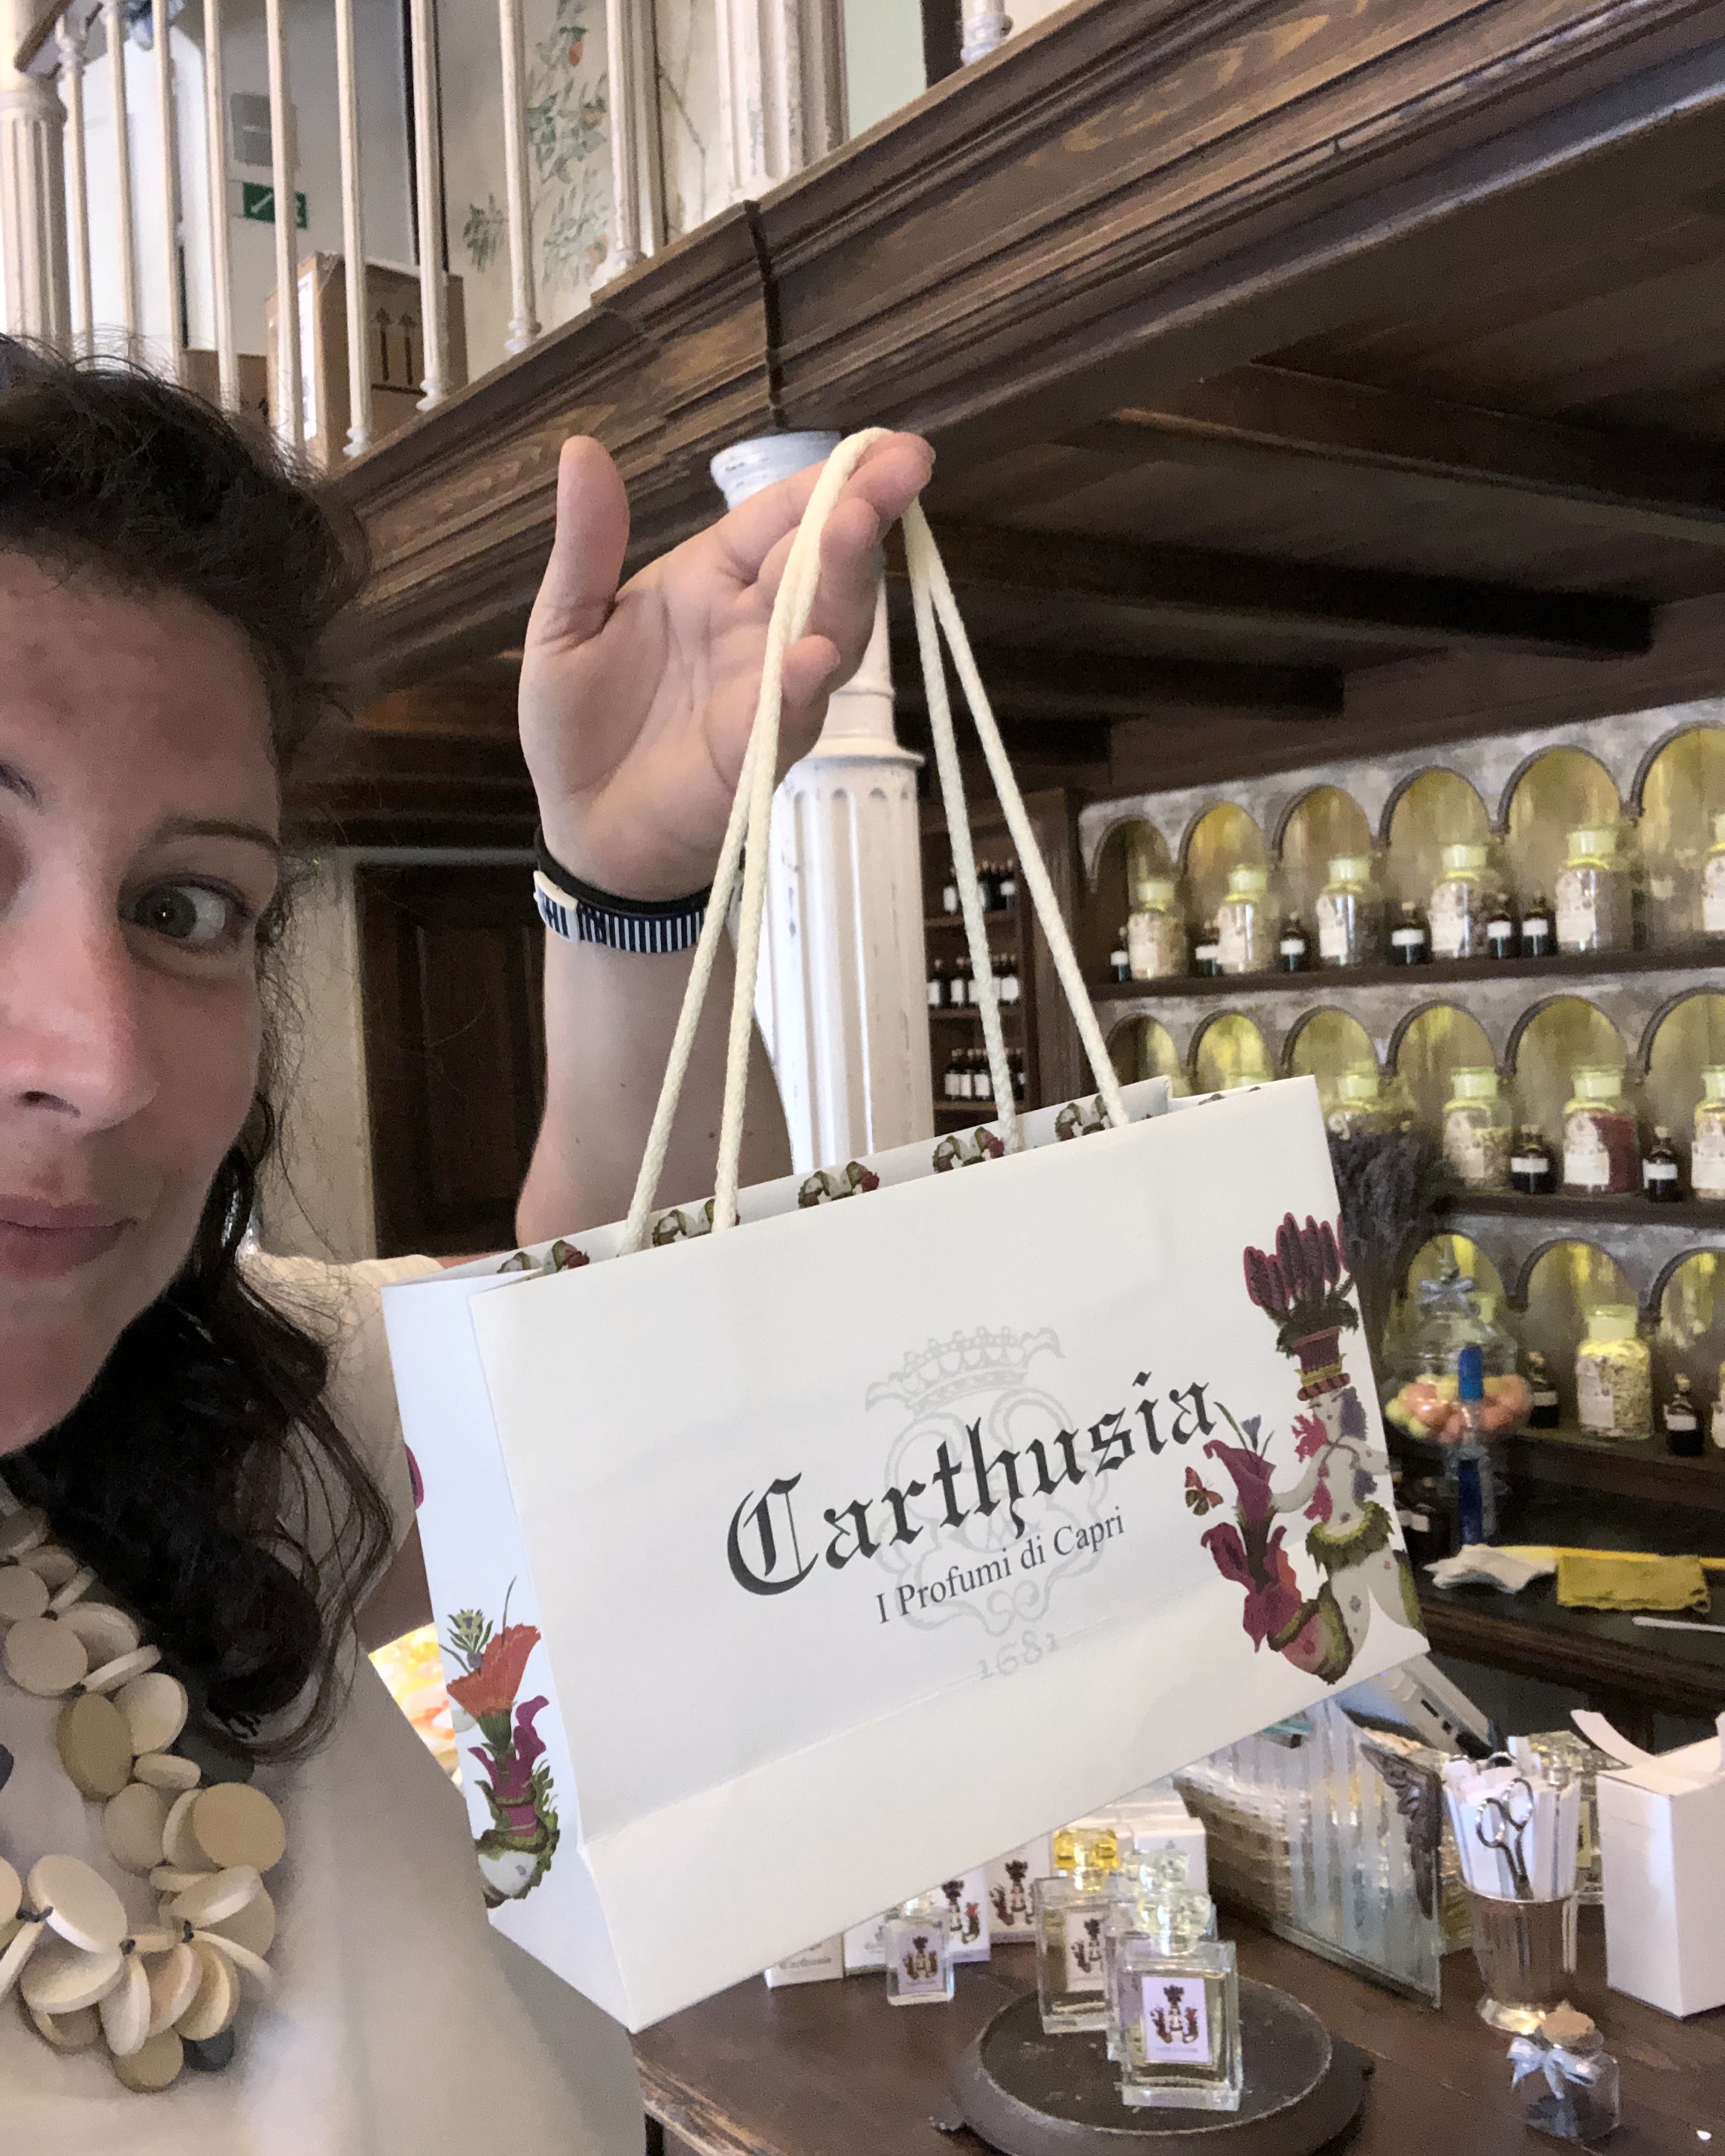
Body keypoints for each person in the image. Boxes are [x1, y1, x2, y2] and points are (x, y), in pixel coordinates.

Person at [0, 343, 931, 2147]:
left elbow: (680, 1399)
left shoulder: (225, 1437)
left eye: (185, 905)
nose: (104, 1061)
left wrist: (636, 887)